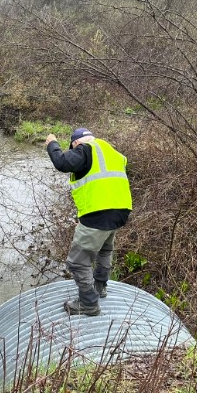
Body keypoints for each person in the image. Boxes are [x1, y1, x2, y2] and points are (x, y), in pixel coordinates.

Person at [45, 128, 132, 316]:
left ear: (76, 143)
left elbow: (61, 162)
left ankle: (89, 304)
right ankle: (99, 288)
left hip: (99, 214)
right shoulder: (114, 153)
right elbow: (103, 186)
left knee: (77, 262)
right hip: (120, 212)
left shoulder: (86, 149)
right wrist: (86, 219)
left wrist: (52, 143)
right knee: (104, 250)